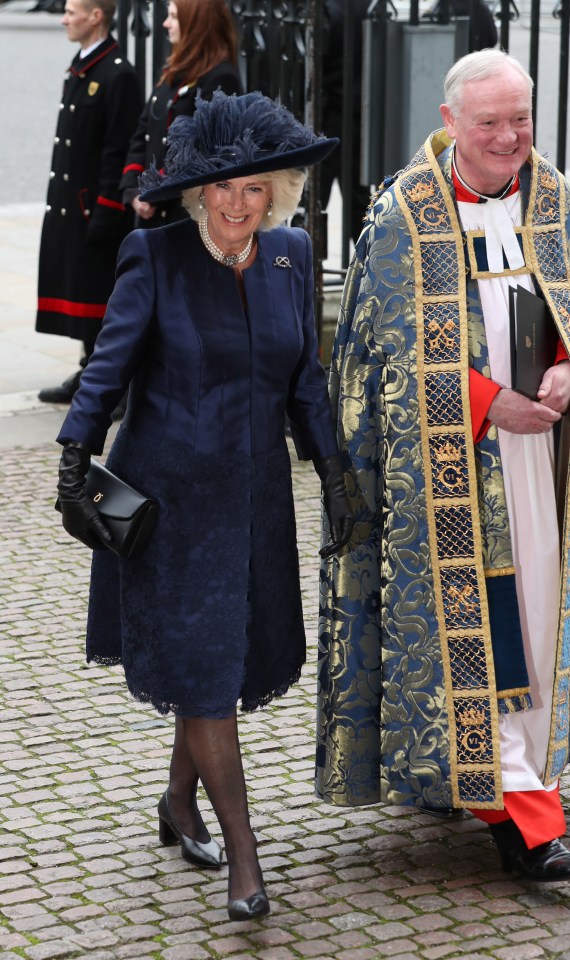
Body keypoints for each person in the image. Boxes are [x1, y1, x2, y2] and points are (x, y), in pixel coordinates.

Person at [54, 91, 354, 921]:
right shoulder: (156, 258)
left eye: (256, 189)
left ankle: (177, 805)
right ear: (197, 193)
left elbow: (304, 384)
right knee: (207, 677)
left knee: (217, 667)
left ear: (280, 195)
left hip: (255, 507)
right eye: (223, 188)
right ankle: (246, 860)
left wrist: (334, 474)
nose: (236, 203)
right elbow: (106, 371)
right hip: (172, 506)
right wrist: (74, 461)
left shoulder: (291, 258)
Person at [316, 49, 570, 882]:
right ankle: (523, 813)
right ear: (451, 120)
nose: (509, 137)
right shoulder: (401, 215)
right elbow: (374, 354)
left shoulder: (557, 199)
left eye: (520, 119)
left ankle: (530, 776)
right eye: (490, 122)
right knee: (485, 627)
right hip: (450, 465)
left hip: (548, 454)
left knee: (538, 621)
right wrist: (484, 401)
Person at [35, 0, 143, 407]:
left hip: (95, 209)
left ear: (96, 15)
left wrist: (106, 209)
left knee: (102, 297)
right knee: (82, 292)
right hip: (73, 207)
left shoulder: (119, 75)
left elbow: (117, 150)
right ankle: (90, 371)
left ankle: (112, 385)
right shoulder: (82, 67)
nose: (64, 18)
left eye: (71, 11)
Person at [120, 0, 242, 230]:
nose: (166, 24)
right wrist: (135, 190)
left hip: (186, 218)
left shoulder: (220, 78)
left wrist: (156, 188)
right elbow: (143, 133)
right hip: (153, 212)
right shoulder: (174, 72)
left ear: (196, 24)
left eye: (174, 17)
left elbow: (206, 152)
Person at [320, 0, 371, 245]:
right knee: (358, 200)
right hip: (360, 113)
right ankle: (370, 267)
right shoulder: (369, 6)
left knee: (314, 198)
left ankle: (307, 268)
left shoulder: (328, 9)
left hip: (328, 112)